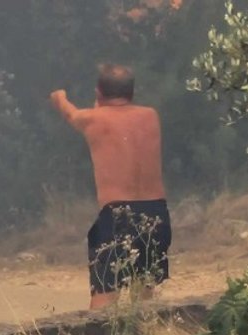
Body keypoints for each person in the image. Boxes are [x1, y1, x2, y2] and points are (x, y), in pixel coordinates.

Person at [50, 64, 172, 309]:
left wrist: (59, 97)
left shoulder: (93, 118)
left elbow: (71, 114)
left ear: (98, 93)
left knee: (104, 297)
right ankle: (146, 334)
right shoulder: (151, 115)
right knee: (145, 295)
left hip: (118, 213)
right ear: (132, 92)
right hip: (156, 212)